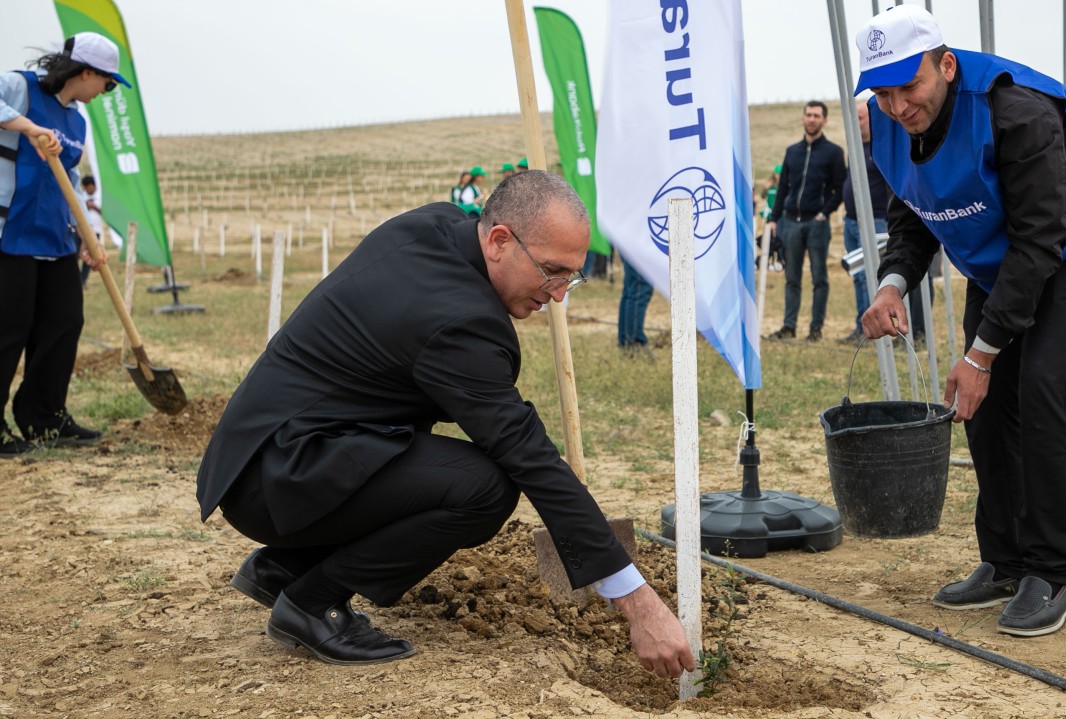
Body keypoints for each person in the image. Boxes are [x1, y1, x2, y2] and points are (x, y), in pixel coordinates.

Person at [195, 171, 694, 676]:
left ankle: (286, 567)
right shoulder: (459, 322)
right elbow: (530, 457)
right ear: (500, 241)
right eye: (551, 271)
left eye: (571, 276)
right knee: (484, 487)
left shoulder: (437, 226)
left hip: (264, 453)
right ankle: (312, 602)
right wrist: (638, 601)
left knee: (441, 461)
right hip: (278, 478)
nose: (559, 294)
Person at [855, 5, 1066, 637]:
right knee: (978, 402)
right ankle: (1005, 562)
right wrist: (892, 283)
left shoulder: (1015, 113)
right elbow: (913, 214)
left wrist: (983, 352)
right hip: (1002, 250)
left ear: (946, 64)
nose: (900, 105)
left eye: (912, 86)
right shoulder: (885, 126)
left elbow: (1040, 239)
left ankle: (1051, 572)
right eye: (884, 93)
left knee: (1041, 385)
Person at [0, 32, 128, 456]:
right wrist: (30, 127)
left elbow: (69, 182)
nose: (107, 92)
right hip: (9, 233)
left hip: (54, 238)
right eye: (107, 83)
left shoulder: (76, 120)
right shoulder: (21, 87)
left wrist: (85, 237)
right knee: (9, 328)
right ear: (86, 72)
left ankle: (44, 417)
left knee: (64, 323)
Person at [766, 101, 847, 342]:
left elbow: (840, 187)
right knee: (792, 278)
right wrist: (773, 219)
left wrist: (825, 212)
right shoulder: (792, 151)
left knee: (819, 278)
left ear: (824, 120)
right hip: (790, 222)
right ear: (803, 118)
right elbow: (782, 188)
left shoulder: (833, 152)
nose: (811, 119)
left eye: (816, 116)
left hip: (816, 223)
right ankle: (788, 326)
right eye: (808, 115)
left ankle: (815, 329)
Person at [838, 103, 889, 343]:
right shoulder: (854, 147)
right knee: (857, 275)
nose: (855, 122)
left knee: (874, 276)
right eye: (852, 118)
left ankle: (880, 330)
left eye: (859, 117)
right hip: (851, 220)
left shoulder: (882, 146)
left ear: (872, 119)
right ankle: (861, 326)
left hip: (875, 220)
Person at [617, 253, 654, 359]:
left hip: (628, 239)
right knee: (640, 285)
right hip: (637, 239)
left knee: (632, 287)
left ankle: (626, 341)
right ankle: (634, 342)